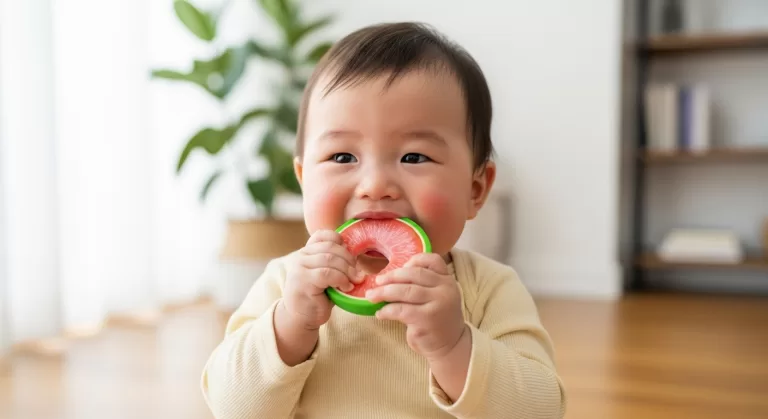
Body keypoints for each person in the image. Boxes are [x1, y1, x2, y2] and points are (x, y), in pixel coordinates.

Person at [200, 21, 567, 419]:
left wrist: (453, 346)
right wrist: (289, 327)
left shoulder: (487, 290)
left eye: (414, 157)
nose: (375, 186)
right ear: (305, 181)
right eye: (342, 157)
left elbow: (540, 409)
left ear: (475, 190)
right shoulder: (286, 284)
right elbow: (230, 407)